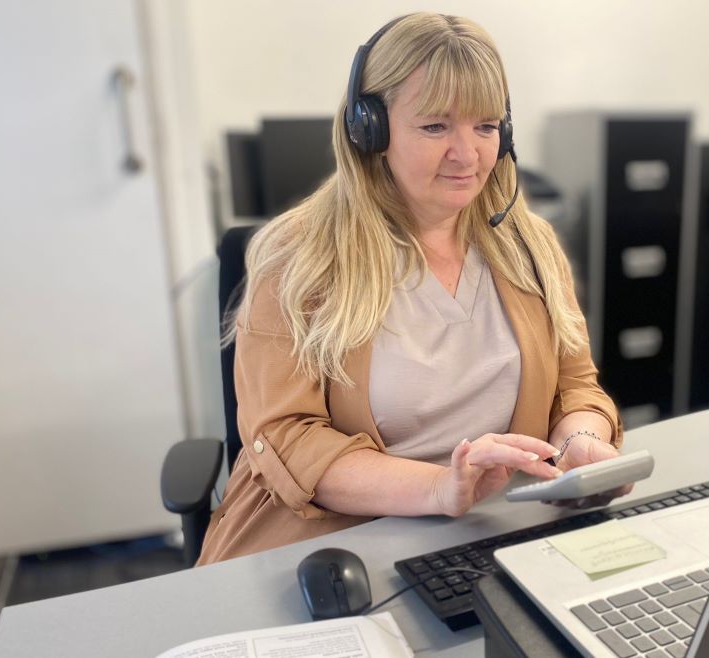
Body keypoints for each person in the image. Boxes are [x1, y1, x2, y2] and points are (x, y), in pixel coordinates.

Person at [197, 12, 626, 565]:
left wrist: (580, 442)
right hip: (334, 543)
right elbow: (287, 436)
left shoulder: (529, 243)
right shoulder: (299, 256)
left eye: (486, 126)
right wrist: (438, 489)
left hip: (492, 533)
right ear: (369, 129)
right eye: (435, 126)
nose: (467, 154)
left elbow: (575, 387)